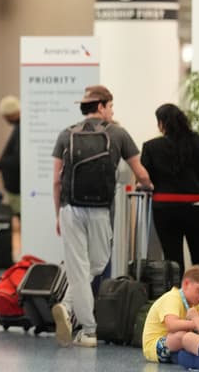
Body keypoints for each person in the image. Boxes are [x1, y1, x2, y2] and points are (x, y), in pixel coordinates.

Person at [51, 85, 154, 349]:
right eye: (110, 106)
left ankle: (69, 308)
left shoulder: (66, 134)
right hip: (100, 210)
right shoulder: (117, 133)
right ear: (101, 106)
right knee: (96, 265)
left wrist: (57, 215)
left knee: (79, 268)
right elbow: (140, 173)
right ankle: (88, 329)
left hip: (70, 209)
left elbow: (56, 181)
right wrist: (148, 185)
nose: (112, 110)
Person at [141, 103, 199, 276]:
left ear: (162, 124)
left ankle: (176, 302)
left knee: (173, 263)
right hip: (198, 209)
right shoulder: (197, 142)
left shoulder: (151, 147)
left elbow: (146, 179)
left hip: (166, 210)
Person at [140, 265, 199, 364]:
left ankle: (196, 357)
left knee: (192, 337)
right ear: (186, 284)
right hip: (155, 346)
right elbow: (172, 325)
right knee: (184, 336)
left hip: (173, 345)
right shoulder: (172, 298)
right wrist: (198, 322)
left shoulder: (195, 304)